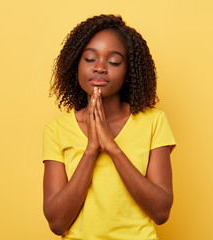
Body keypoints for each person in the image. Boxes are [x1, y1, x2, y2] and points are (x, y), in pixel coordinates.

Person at [42, 14, 176, 240]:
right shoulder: (56, 130)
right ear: (76, 65)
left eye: (113, 61)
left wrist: (112, 147)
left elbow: (161, 211)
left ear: (129, 73)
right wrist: (91, 149)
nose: (100, 68)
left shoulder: (154, 122)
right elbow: (56, 223)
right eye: (90, 59)